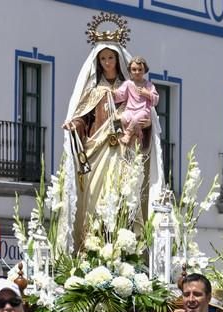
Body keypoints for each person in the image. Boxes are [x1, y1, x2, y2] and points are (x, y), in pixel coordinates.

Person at [61, 28, 164, 251]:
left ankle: (123, 247)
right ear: (98, 62)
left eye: (111, 58)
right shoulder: (93, 91)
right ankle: (93, 247)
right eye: (103, 58)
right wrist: (74, 125)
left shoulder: (131, 88)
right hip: (98, 151)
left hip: (124, 151)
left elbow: (148, 119)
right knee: (96, 201)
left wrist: (146, 126)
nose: (107, 62)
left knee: (123, 198)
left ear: (119, 60)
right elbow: (83, 120)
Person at [114, 56, 159, 145]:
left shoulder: (148, 85)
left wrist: (147, 94)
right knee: (123, 118)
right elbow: (120, 95)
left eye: (140, 69)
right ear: (130, 71)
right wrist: (112, 93)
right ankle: (137, 134)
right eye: (134, 70)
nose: (137, 72)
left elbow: (156, 99)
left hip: (143, 111)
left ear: (144, 70)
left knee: (136, 119)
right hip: (130, 110)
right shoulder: (128, 84)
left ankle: (128, 134)